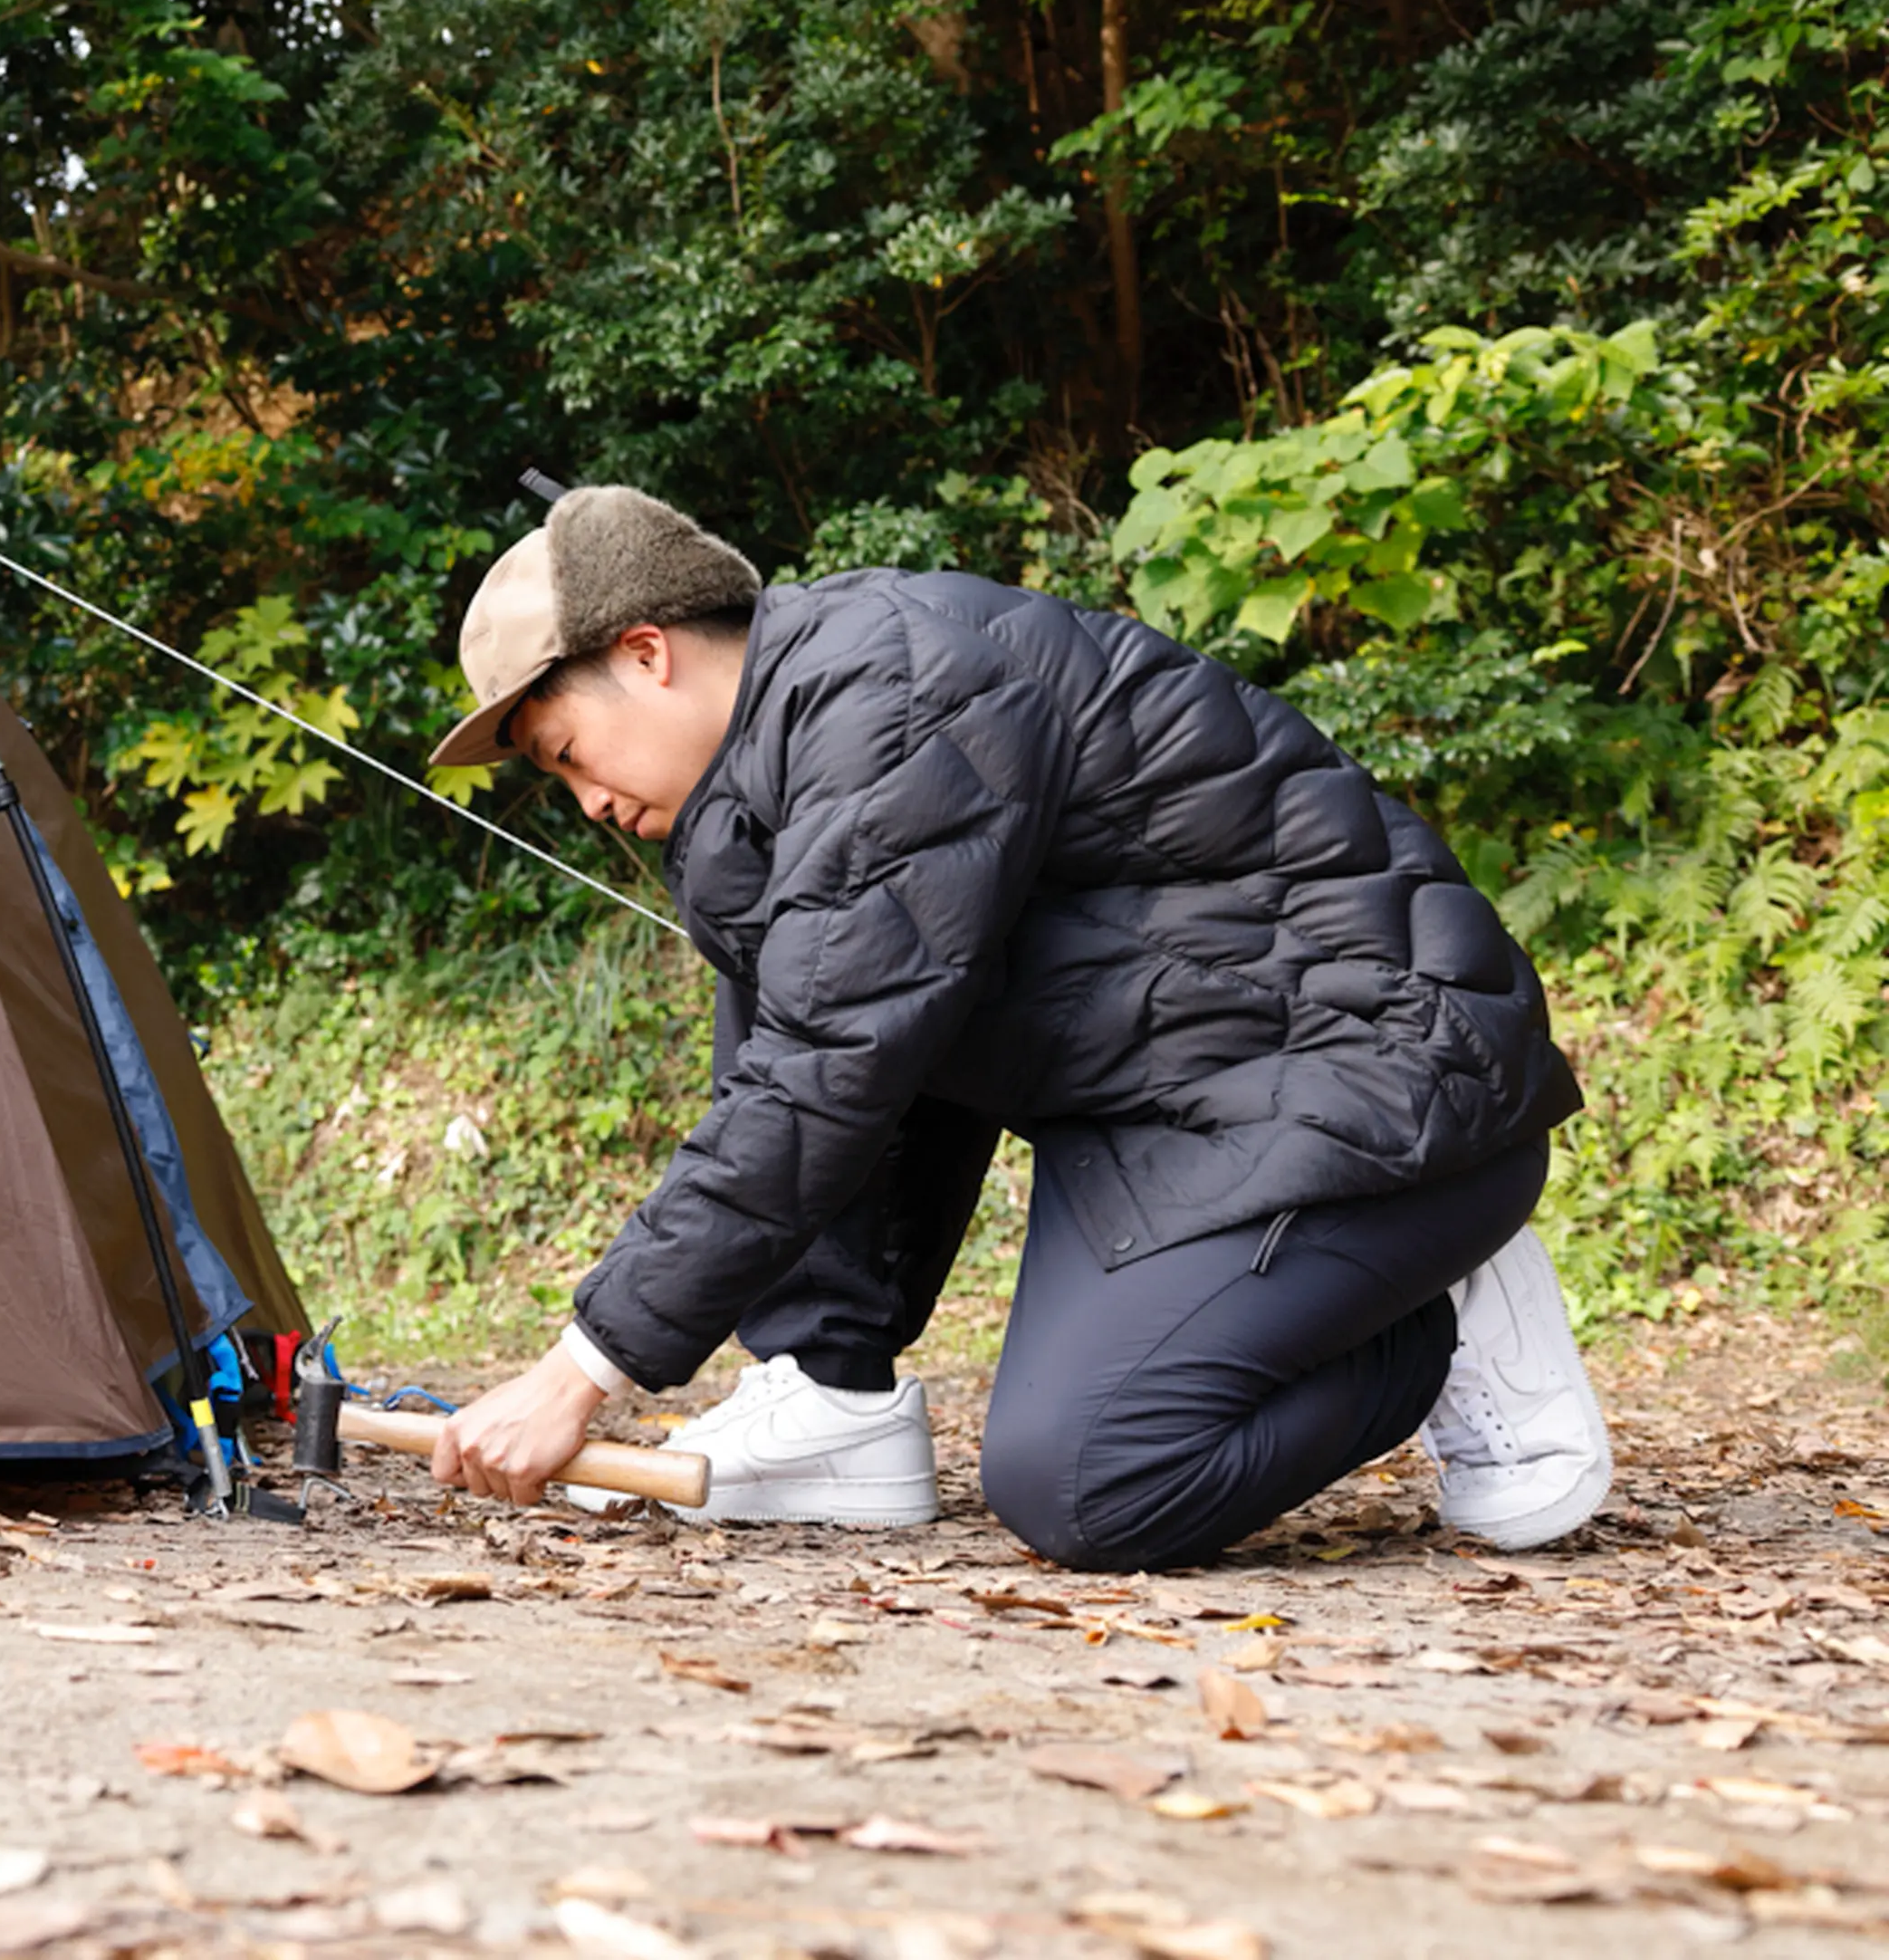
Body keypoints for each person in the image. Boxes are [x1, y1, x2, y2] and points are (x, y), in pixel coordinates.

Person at [419, 485, 1613, 1569]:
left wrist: (581, 1373)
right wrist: (807, 1346)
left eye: (568, 753)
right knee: (808, 982)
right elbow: (833, 1053)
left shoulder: (893, 698)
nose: (588, 804)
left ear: (648, 653)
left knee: (1090, 1486)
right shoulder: (767, 783)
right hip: (1170, 1103)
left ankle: (1434, 1308)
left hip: (1382, 1065)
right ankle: (833, 1397)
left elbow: (827, 1067)